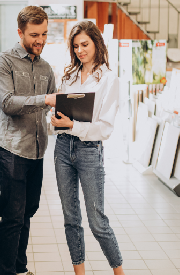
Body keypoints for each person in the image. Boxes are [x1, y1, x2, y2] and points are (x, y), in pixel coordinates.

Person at [50, 21, 125, 275]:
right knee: (71, 219)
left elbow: (104, 128)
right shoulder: (69, 75)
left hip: (89, 150)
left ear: (96, 43)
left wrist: (74, 124)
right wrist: (58, 120)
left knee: (97, 221)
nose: (80, 50)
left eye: (85, 44)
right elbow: (62, 113)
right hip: (62, 148)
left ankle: (119, 272)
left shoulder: (109, 79)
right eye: (76, 46)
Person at [0, 6, 57, 275]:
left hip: (36, 150)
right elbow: (7, 103)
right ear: (20, 32)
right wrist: (45, 100)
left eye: (44, 34)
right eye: (34, 35)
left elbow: (52, 103)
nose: (40, 40)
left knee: (28, 211)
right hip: (11, 149)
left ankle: (19, 268)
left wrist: (66, 110)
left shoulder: (46, 68)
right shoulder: (2, 62)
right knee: (13, 216)